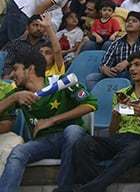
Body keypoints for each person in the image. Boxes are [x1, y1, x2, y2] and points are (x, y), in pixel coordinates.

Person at [0, 46, 97, 191]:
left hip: (72, 137)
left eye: (16, 69)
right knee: (18, 152)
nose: (12, 74)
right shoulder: (19, 93)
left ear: (29, 69)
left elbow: (90, 104)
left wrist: (52, 120)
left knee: (72, 131)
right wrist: (13, 98)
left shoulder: (62, 81)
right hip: (44, 142)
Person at [73, 51, 140, 191]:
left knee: (133, 150)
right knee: (83, 143)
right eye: (130, 65)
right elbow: (112, 132)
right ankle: (95, 187)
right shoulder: (122, 93)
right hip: (120, 137)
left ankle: (88, 189)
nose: (132, 69)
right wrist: (115, 116)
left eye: (137, 65)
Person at [0, 0, 95, 47]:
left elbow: (65, 10)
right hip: (22, 8)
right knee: (19, 43)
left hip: (18, 5)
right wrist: (33, 24)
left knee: (3, 37)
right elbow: (42, 6)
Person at [88, 11, 140, 89]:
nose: (130, 23)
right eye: (128, 21)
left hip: (138, 74)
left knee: (135, 75)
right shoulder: (116, 43)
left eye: (134, 21)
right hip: (117, 75)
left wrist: (129, 61)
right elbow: (105, 63)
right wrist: (104, 68)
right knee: (91, 78)